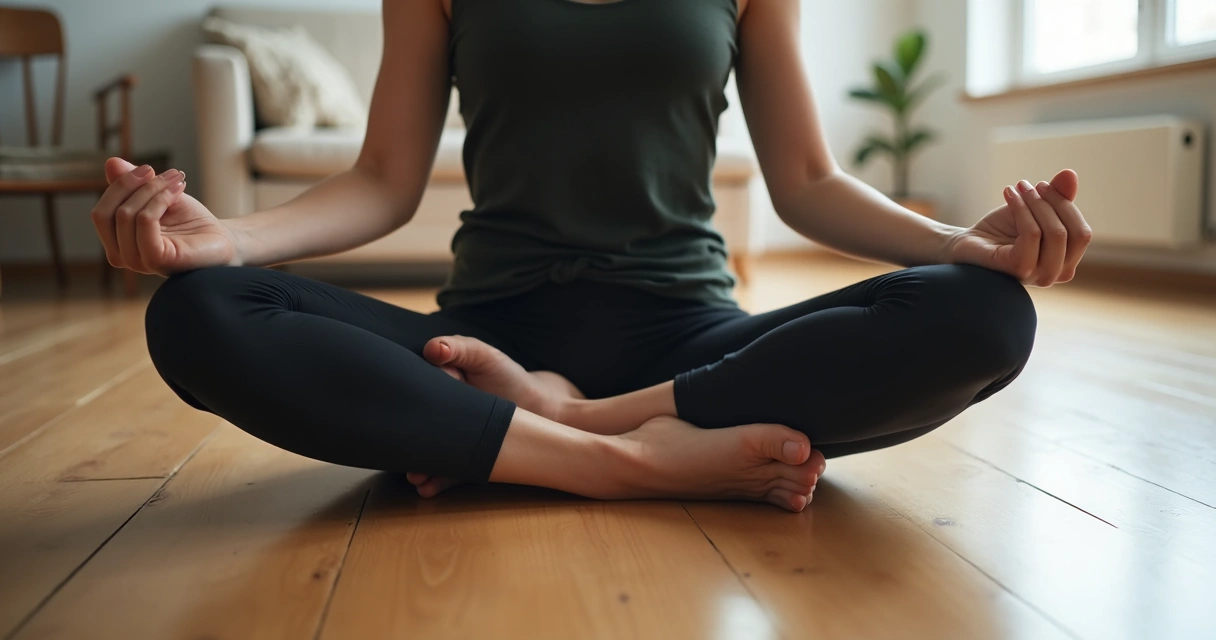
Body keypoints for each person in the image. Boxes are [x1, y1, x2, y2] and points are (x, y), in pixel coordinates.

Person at [89, 0, 1090, 512]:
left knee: (985, 313)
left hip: (689, 344)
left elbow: (808, 182)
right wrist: (229, 241)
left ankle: (559, 427)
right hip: (482, 341)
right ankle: (627, 466)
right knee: (197, 310)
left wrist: (959, 244)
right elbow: (385, 178)